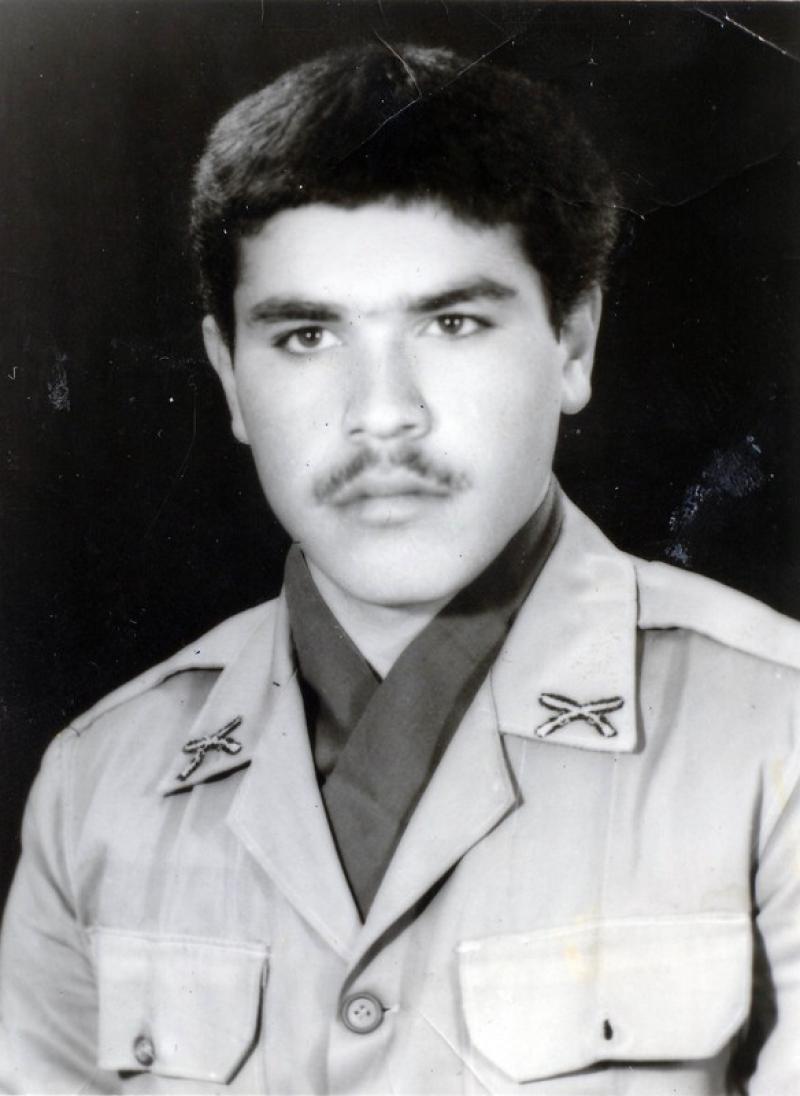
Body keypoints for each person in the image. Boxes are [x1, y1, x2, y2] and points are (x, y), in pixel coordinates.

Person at [1, 41, 798, 1095]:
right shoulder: (98, 784)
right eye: (306, 336)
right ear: (228, 378)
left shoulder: (773, 736)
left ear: (571, 344)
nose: (382, 414)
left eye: (452, 322)